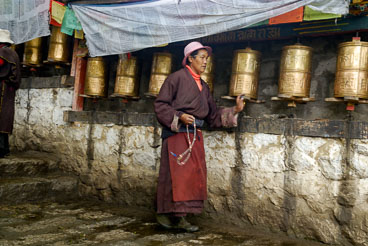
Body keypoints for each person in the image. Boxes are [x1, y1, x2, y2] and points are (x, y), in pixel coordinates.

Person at [154, 41, 245, 232]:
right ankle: (170, 215)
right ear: (190, 59)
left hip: (195, 137)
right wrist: (179, 116)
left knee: (190, 177)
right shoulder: (176, 79)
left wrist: (235, 110)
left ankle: (181, 216)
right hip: (177, 136)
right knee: (175, 177)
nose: (205, 62)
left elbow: (212, 116)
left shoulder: (204, 87)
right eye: (202, 57)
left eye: (206, 58)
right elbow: (161, 105)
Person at [0, 29, 21, 158]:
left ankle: (1, 149)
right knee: (5, 117)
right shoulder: (12, 53)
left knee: (1, 116)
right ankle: (5, 148)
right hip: (9, 88)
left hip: (2, 87)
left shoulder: (2, 52)